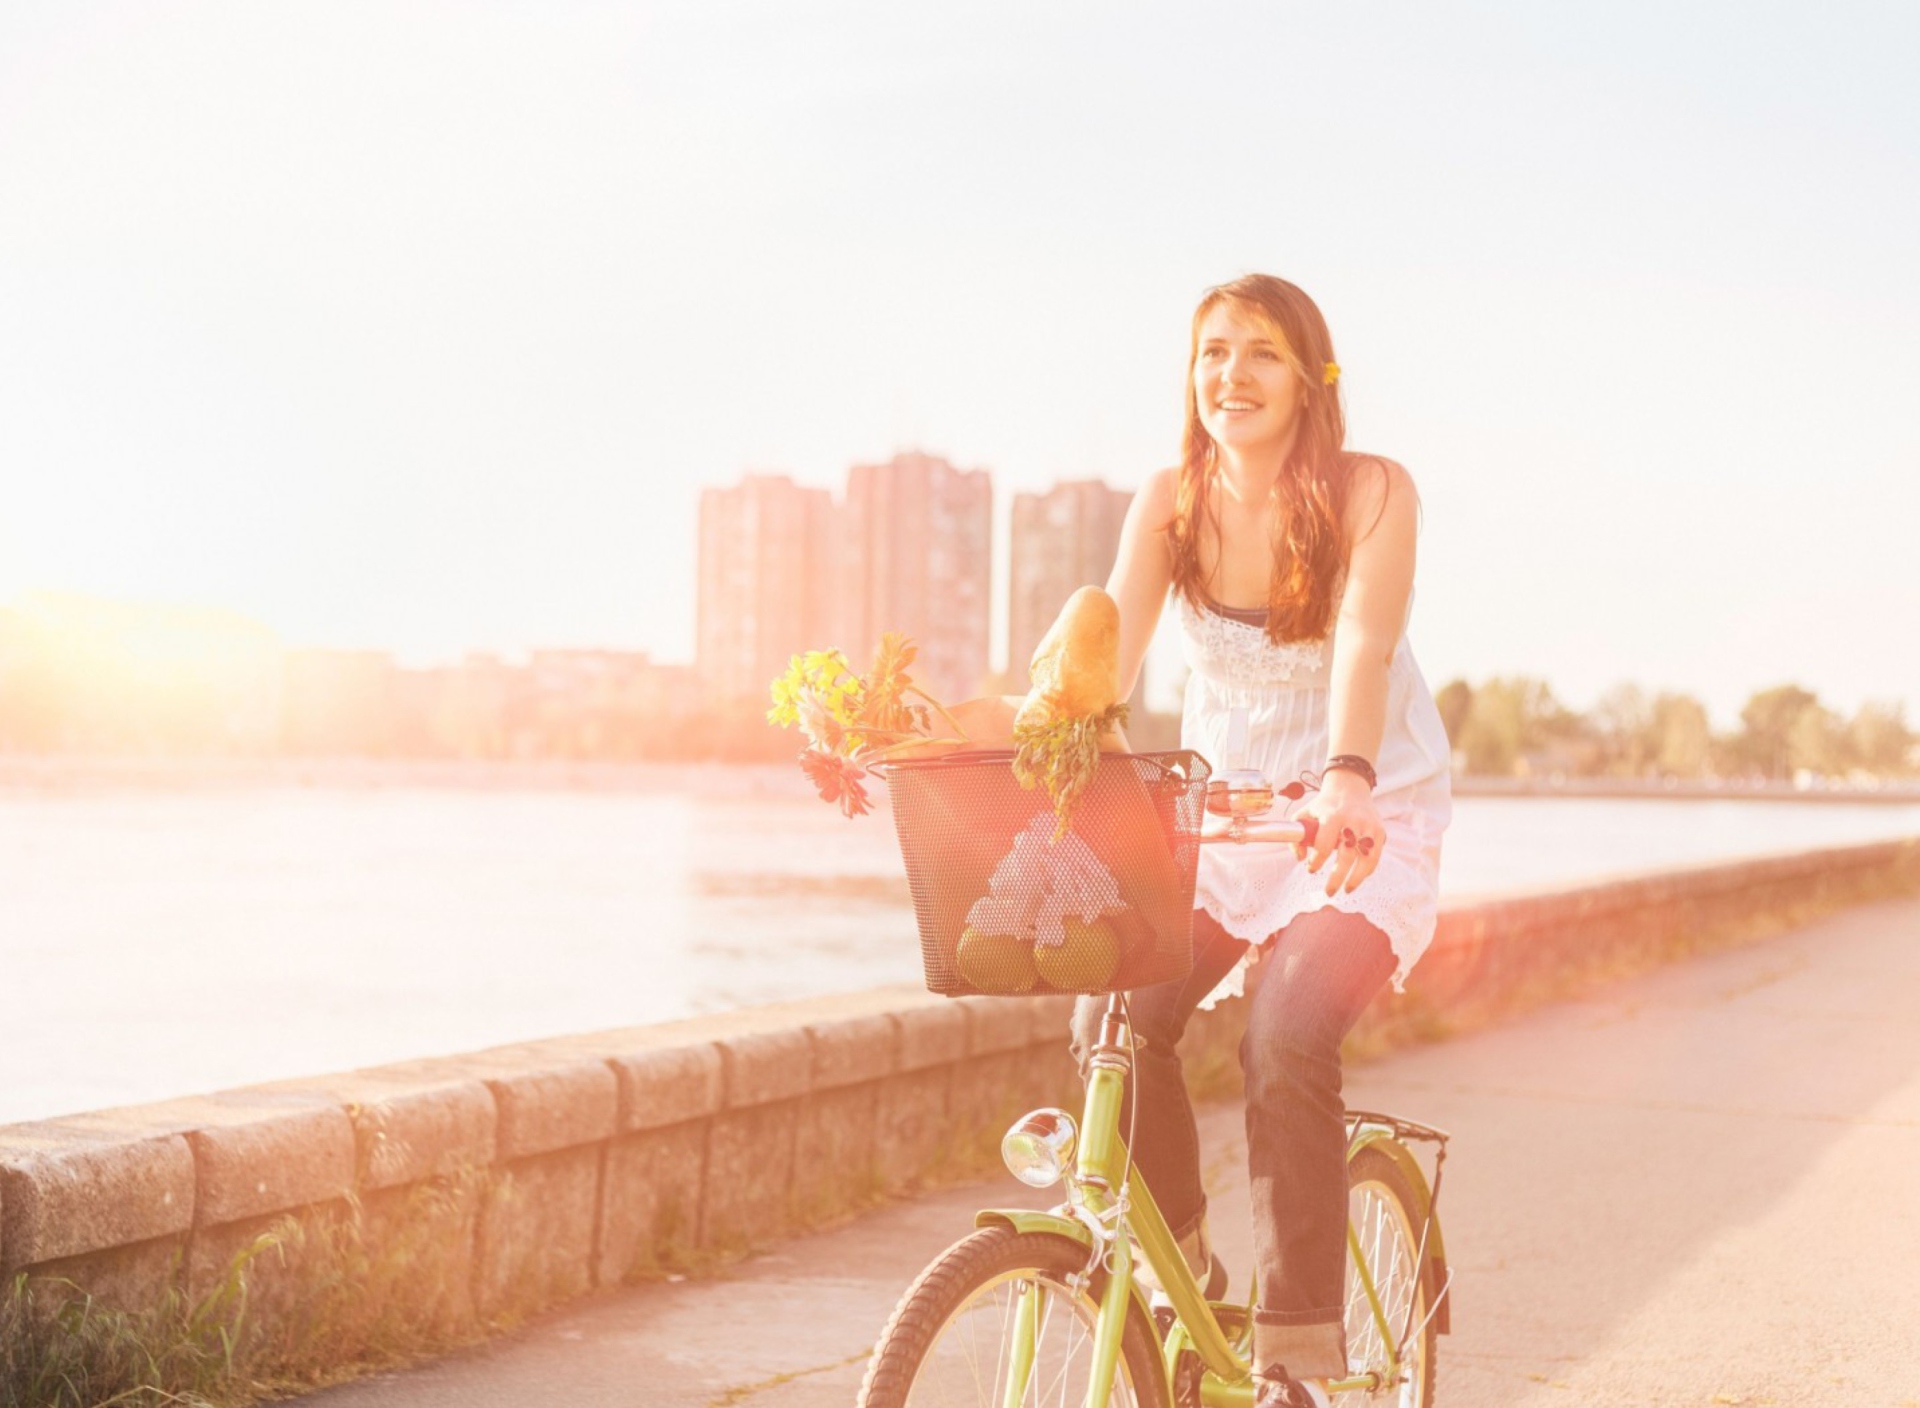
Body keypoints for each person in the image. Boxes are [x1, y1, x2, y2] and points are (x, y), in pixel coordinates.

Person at [1070, 274, 1452, 1408]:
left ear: (1309, 377)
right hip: (1225, 828)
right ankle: (1187, 1284)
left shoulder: (1370, 490)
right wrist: (979, 745)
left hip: (1358, 823)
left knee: (1286, 1030)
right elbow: (1100, 669)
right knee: (1110, 1017)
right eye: (1213, 353)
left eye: (1262, 354)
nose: (1230, 375)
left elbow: (1363, 648)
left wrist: (1346, 773)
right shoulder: (1167, 503)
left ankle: (1294, 1355)